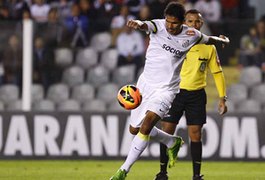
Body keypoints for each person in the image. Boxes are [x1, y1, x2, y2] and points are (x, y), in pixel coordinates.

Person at [110, 2, 229, 180]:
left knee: (148, 124)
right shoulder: (158, 26)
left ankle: (123, 171)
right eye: (168, 22)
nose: (170, 26)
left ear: (182, 22)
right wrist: (138, 23)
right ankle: (171, 141)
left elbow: (208, 39)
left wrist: (222, 40)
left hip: (167, 90)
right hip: (145, 86)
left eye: (174, 23)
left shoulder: (191, 35)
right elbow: (145, 25)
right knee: (134, 130)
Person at [154, 9, 228, 180]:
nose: (194, 24)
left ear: (201, 24)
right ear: (184, 23)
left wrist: (222, 98)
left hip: (196, 95)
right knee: (167, 131)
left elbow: (217, 73)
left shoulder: (208, 47)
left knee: (195, 133)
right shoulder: (173, 42)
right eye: (190, 21)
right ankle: (163, 173)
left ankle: (196, 175)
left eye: (197, 22)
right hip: (174, 93)